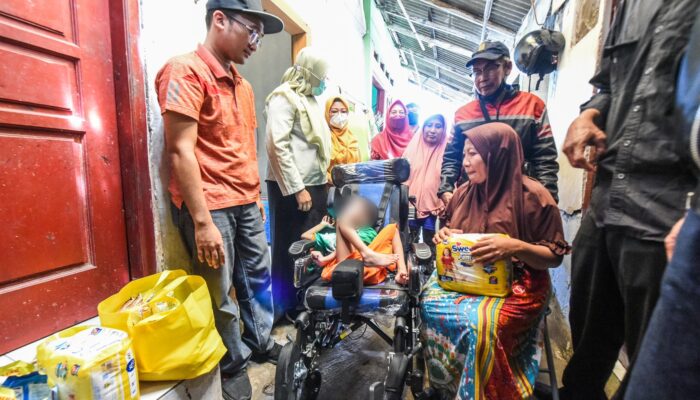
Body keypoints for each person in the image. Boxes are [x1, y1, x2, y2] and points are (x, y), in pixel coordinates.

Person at [559, 1, 699, 398]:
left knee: (656, 367)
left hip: (669, 216)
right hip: (605, 204)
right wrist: (587, 115)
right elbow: (606, 85)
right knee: (586, 347)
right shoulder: (631, 6)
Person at [155, 1, 283, 399]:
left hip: (245, 201)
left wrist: (256, 199)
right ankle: (233, 361)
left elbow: (243, 148)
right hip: (210, 205)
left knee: (259, 279)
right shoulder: (185, 70)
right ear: (220, 19)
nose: (256, 43)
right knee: (219, 288)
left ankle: (262, 341)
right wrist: (202, 221)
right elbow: (180, 150)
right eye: (252, 31)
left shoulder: (242, 85)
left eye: (260, 36)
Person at [421, 123, 569, 399]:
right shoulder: (463, 194)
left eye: (473, 154)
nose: (465, 162)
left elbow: (554, 258)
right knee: (426, 303)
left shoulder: (534, 197)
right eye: (463, 155)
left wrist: (514, 246)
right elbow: (447, 232)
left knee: (483, 325)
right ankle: (447, 385)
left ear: (497, 155)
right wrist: (444, 236)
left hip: (520, 283)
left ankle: (484, 390)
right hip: (465, 278)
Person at [625, 8, 700, 400]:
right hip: (620, 200)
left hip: (661, 208)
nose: (467, 161)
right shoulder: (652, 16)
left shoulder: (532, 199)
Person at [438, 41, 559, 204]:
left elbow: (545, 158)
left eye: (490, 68)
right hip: (473, 201)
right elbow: (452, 157)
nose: (482, 78)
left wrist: (546, 199)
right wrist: (445, 189)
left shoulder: (532, 106)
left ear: (507, 68)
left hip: (519, 200)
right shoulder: (463, 115)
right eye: (476, 72)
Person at [265, 47, 331, 323]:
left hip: (314, 184)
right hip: (292, 188)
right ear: (310, 72)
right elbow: (276, 145)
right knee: (287, 249)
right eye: (323, 75)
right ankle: (283, 310)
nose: (325, 81)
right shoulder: (284, 97)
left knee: (310, 247)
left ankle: (305, 303)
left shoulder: (311, 100)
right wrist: (296, 188)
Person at [305, 196, 408, 285]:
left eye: (353, 209)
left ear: (365, 219)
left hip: (365, 267)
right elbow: (307, 237)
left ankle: (398, 269)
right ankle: (367, 254)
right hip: (344, 269)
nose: (347, 211)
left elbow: (353, 245)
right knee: (342, 221)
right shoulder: (343, 229)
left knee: (392, 228)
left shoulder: (367, 231)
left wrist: (402, 271)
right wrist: (324, 260)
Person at [403, 114, 448, 248]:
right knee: (409, 243)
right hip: (411, 205)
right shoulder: (411, 150)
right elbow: (402, 177)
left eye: (438, 126)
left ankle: (431, 268)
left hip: (436, 208)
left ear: (444, 130)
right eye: (429, 125)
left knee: (433, 244)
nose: (432, 130)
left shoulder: (448, 153)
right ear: (423, 128)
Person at [325, 96, 360, 182]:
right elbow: (318, 168)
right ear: (327, 113)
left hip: (351, 188)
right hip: (329, 189)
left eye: (343, 111)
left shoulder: (352, 138)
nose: (339, 115)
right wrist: (335, 181)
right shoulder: (323, 137)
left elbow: (359, 166)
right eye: (334, 111)